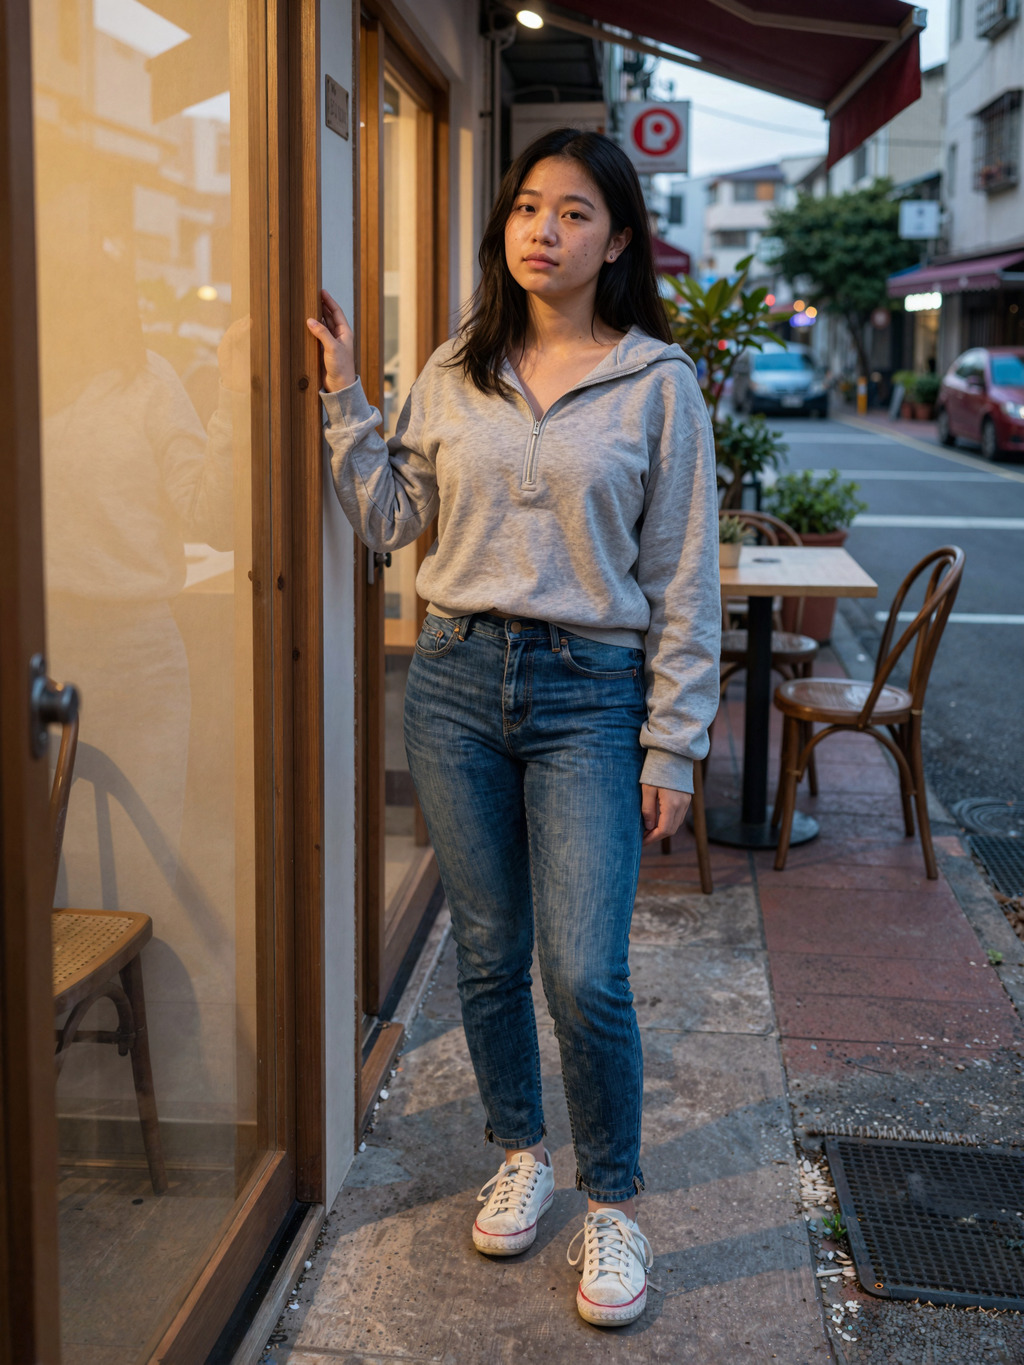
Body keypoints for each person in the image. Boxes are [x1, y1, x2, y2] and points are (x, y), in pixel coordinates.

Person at [307, 127, 720, 1328]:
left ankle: (614, 1205)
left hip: (590, 694)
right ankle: (519, 1147)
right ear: (503, 230)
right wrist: (343, 396)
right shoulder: (453, 368)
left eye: (575, 212)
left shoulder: (657, 383)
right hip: (452, 681)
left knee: (584, 972)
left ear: (620, 239)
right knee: (486, 954)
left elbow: (681, 575)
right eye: (527, 208)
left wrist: (673, 738)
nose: (544, 230)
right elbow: (390, 522)